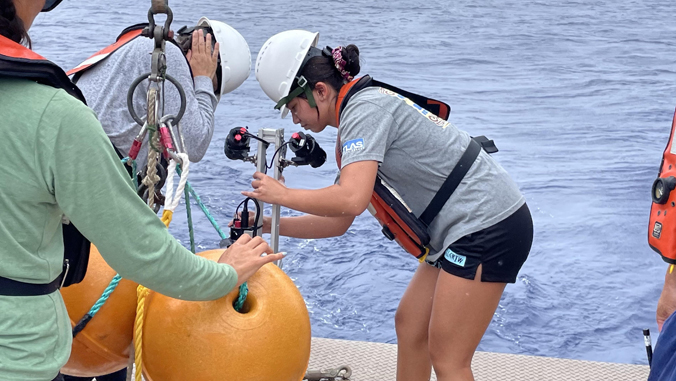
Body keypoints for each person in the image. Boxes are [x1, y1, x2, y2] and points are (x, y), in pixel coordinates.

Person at [0, 2, 283, 381]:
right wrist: (224, 274)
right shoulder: (55, 112)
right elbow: (194, 144)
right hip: (19, 352)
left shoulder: (126, 48)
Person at [249, 30, 533, 381]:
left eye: (294, 107)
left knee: (448, 358)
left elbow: (351, 199)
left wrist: (282, 195)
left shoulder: (364, 110)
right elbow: (340, 219)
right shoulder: (358, 119)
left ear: (319, 91)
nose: (295, 120)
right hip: (464, 227)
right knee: (410, 324)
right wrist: (270, 224)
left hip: (487, 224)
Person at [62, 16, 251, 381]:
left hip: (74, 212)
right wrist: (201, 83)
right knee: (106, 337)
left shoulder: (125, 48)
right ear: (208, 58)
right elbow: (193, 143)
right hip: (100, 212)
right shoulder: (166, 58)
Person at [72, 15, 251, 174]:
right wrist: (203, 79)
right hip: (91, 169)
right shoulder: (167, 56)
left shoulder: (139, 46)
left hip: (78, 158)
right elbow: (194, 146)